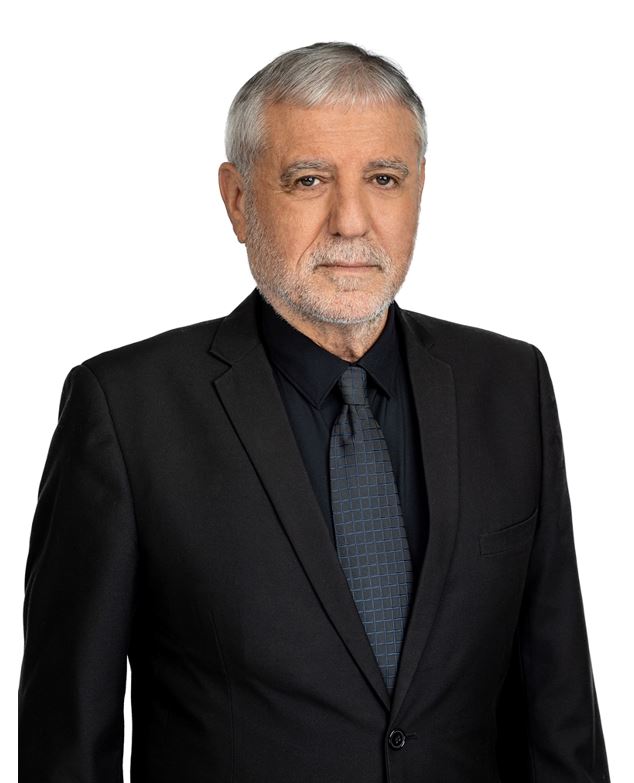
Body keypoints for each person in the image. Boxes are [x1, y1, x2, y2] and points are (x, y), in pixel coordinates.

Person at [18, 42, 610, 782]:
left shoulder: (509, 385)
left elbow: (560, 711)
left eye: (384, 179)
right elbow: (68, 744)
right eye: (309, 180)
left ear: (420, 189)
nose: (351, 222)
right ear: (238, 200)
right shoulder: (125, 410)